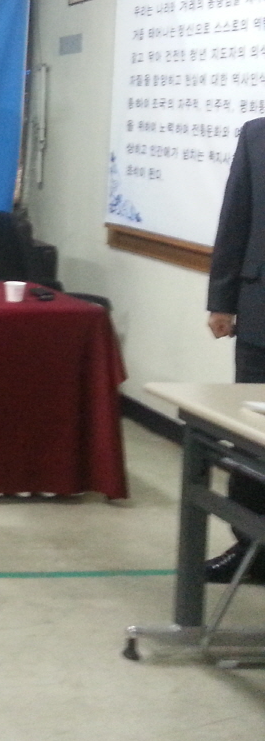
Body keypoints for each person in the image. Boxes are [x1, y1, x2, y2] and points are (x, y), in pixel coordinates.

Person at [206, 116, 265, 583]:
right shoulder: (256, 135)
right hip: (260, 311)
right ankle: (250, 549)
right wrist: (222, 301)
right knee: (250, 436)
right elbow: (235, 219)